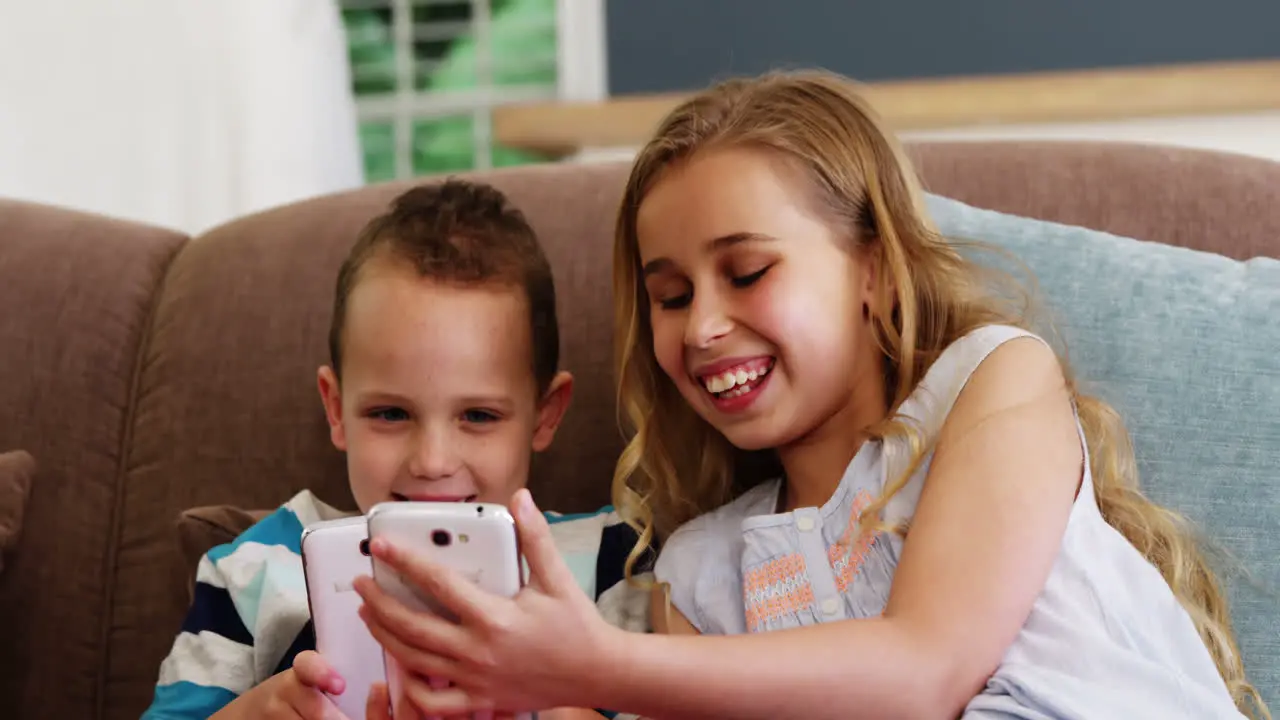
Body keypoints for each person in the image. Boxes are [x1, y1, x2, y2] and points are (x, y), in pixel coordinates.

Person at [350, 70, 1270, 720]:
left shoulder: (987, 387)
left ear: (872, 268)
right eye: (669, 297)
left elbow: (924, 673)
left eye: (746, 272)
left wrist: (601, 665)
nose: (702, 324)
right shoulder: (701, 573)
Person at [142, 180, 648, 719]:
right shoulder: (251, 570)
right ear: (336, 409)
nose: (432, 462)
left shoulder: (616, 561)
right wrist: (253, 713)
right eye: (390, 414)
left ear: (546, 414)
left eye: (478, 416)